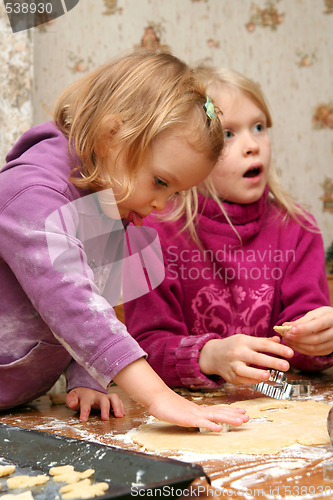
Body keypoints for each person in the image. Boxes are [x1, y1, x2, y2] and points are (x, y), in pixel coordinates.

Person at [0, 52, 250, 431]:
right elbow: (72, 305)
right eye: (161, 182)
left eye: (175, 194)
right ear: (111, 135)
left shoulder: (108, 200)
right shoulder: (31, 195)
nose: (159, 205)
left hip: (18, 407)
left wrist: (86, 379)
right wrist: (160, 396)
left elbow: (91, 298)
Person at [124, 66, 333, 390]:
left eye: (259, 127)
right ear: (192, 153)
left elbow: (305, 341)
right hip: (186, 417)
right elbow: (145, 350)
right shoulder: (152, 232)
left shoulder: (298, 227)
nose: (252, 145)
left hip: (272, 413)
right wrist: (207, 355)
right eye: (228, 134)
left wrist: (320, 340)